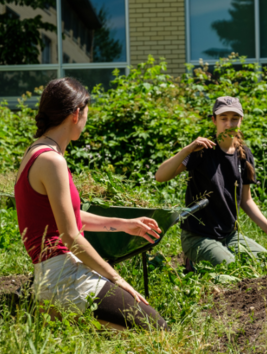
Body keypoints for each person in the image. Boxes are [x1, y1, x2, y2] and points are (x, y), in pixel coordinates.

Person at [15, 78, 167, 330]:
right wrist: (118, 280)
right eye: (86, 114)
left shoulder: (37, 152)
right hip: (64, 278)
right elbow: (70, 235)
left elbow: (67, 218)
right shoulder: (52, 161)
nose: (86, 123)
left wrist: (125, 224)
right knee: (158, 330)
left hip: (51, 276)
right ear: (76, 113)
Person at [154, 96, 267, 269]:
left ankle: (214, 254)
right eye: (224, 119)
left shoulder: (244, 155)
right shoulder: (201, 150)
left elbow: (246, 200)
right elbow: (160, 176)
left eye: (234, 119)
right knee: (233, 268)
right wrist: (187, 149)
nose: (229, 124)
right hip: (198, 236)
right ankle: (191, 261)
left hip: (229, 236)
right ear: (214, 120)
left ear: (241, 121)